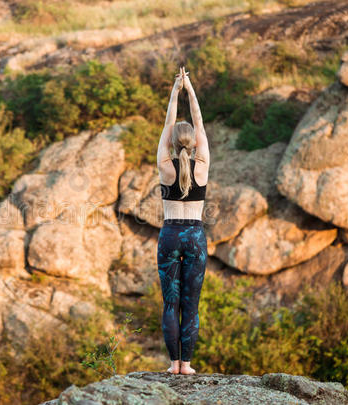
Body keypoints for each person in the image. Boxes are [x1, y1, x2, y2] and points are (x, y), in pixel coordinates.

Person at [157, 66, 210, 375]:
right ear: (193, 145)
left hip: (170, 235)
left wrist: (175, 91)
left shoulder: (165, 165)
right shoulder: (201, 165)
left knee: (170, 304)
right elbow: (199, 122)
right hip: (195, 238)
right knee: (190, 305)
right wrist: (190, 89)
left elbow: (168, 124)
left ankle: (172, 364)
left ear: (173, 145)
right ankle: (187, 365)